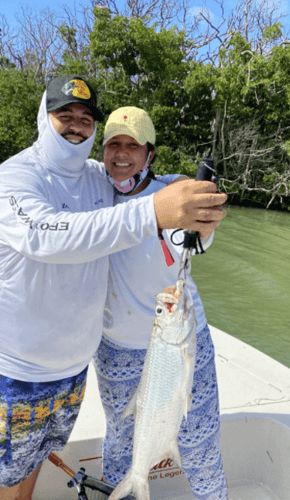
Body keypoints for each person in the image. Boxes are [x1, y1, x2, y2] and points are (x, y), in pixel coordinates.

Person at [0, 75, 227, 500]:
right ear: (42, 119)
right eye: (63, 115)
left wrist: (201, 214)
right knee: (6, 473)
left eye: (85, 118)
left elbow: (184, 226)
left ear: (149, 153)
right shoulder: (21, 178)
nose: (75, 125)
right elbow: (52, 233)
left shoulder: (116, 182)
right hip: (21, 365)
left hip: (76, 367)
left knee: (29, 465)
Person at [93, 107, 229, 499]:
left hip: (183, 338)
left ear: (149, 154)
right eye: (113, 144)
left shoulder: (177, 194)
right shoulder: (89, 192)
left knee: (200, 443)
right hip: (116, 348)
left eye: (132, 145)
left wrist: (206, 211)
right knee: (121, 441)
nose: (121, 154)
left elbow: (196, 241)